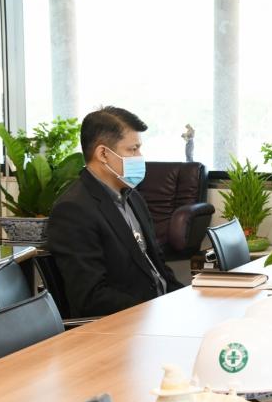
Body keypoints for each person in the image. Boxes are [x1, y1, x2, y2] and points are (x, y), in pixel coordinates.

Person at [47, 106, 182, 317]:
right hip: (128, 323)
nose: (140, 157)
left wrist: (185, 299)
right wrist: (153, 312)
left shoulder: (133, 197)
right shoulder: (73, 210)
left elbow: (158, 267)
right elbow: (90, 296)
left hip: (161, 312)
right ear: (103, 154)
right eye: (133, 150)